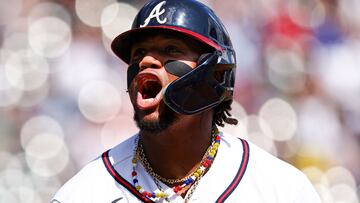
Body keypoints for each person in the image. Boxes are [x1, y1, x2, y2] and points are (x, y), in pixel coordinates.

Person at [52, 0, 322, 202]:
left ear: (215, 74)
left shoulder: (280, 189)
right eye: (139, 53)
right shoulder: (84, 193)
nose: (146, 61)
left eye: (171, 50)